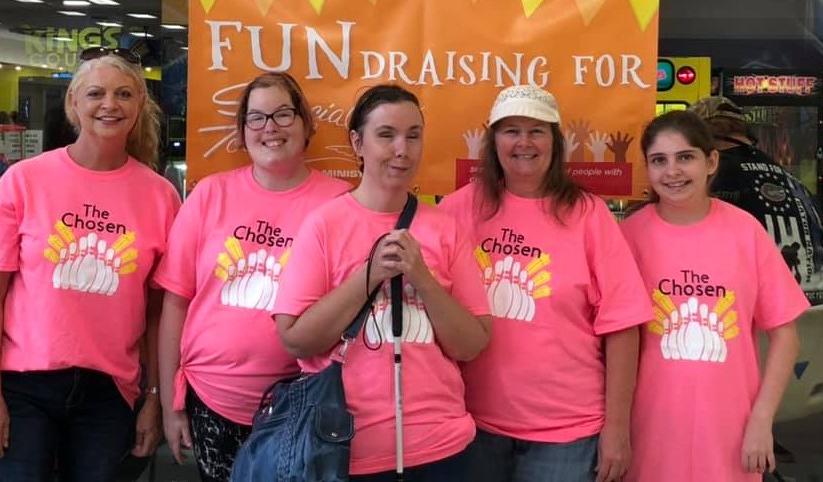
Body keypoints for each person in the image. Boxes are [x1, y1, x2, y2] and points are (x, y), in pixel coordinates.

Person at [0, 47, 179, 481]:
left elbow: (159, 312)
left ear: (140, 105)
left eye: (124, 94)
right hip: (25, 384)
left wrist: (154, 398)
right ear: (73, 104)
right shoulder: (24, 181)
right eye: (96, 92)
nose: (109, 104)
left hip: (110, 391)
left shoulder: (161, 196)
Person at [273, 84, 491, 481]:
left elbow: (473, 344)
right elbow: (295, 340)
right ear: (358, 143)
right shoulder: (324, 225)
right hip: (344, 448)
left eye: (413, 135)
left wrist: (423, 279)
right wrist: (368, 274)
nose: (401, 150)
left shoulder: (446, 229)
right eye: (386, 135)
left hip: (442, 447)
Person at [438, 84, 650, 482]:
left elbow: (623, 326)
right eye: (511, 130)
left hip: (567, 435)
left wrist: (617, 429)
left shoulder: (589, 215)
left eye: (537, 130)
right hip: (471, 425)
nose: (524, 142)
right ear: (493, 140)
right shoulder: (455, 211)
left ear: (556, 140)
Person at [154, 71, 351, 482]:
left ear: (306, 124)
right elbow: (175, 303)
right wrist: (169, 405)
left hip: (303, 404)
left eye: (283, 114)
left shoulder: (339, 203)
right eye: (256, 118)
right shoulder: (209, 194)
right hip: (212, 400)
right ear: (242, 132)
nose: (270, 128)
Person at [621, 110, 805, 481]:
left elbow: (786, 336)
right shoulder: (629, 237)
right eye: (659, 160)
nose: (672, 172)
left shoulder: (745, 232)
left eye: (685, 157)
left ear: (711, 161)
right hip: (649, 425)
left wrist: (762, 419)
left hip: (731, 427)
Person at [688, 96, 823, 303]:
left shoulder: (710, 178)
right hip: (814, 318)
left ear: (701, 138)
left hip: (758, 319)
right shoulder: (792, 180)